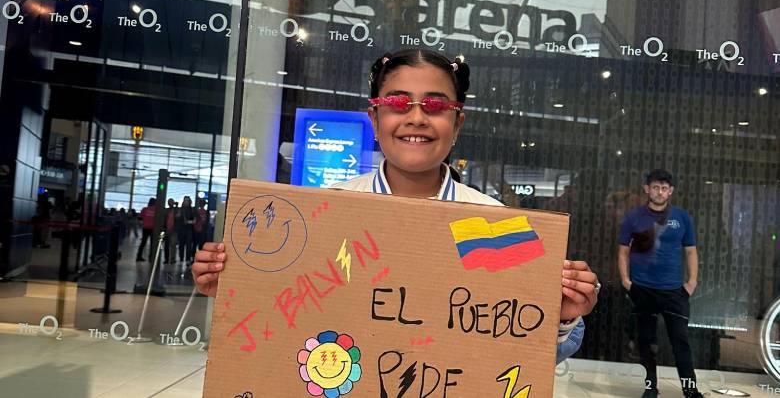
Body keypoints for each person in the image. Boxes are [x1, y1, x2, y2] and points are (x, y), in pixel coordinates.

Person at [193, 49, 599, 364]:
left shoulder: (501, 228)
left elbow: (524, 352)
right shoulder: (329, 214)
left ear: (457, 125)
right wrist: (238, 287)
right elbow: (279, 328)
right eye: (399, 102)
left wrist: (561, 316)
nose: (417, 118)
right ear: (374, 117)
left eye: (437, 106)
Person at [618, 169, 701, 398]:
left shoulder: (682, 218)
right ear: (647, 189)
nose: (660, 191)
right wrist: (626, 281)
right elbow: (623, 251)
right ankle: (650, 387)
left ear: (670, 191)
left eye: (664, 188)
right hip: (642, 289)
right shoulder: (633, 217)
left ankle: (690, 390)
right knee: (646, 342)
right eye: (655, 187)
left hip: (674, 291)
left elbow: (691, 251)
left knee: (680, 342)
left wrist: (691, 282)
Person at [177, 196, 196, 264]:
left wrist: (188, 222)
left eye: (187, 201)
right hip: (181, 229)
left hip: (189, 229)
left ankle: (188, 259)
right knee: (181, 245)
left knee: (188, 245)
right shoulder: (180, 209)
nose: (186, 202)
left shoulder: (192, 210)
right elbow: (177, 217)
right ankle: (181, 258)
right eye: (185, 200)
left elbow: (194, 220)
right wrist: (178, 216)